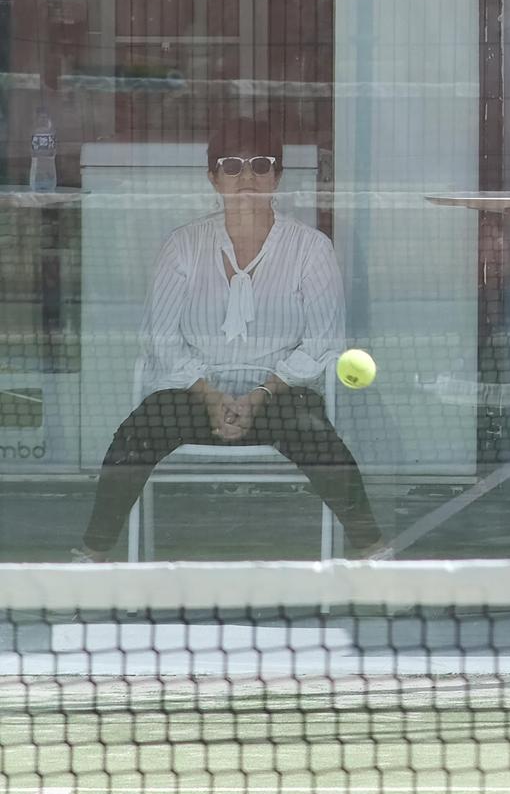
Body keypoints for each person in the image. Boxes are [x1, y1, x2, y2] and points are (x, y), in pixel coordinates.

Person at [74, 116, 386, 561]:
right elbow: (159, 336)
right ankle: (93, 552)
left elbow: (322, 341)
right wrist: (209, 395)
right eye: (232, 164)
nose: (246, 177)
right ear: (212, 177)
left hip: (278, 395)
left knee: (318, 437)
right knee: (136, 433)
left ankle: (373, 550)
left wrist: (260, 394)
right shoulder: (183, 245)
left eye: (260, 164)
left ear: (277, 176)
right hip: (195, 395)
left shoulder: (311, 247)